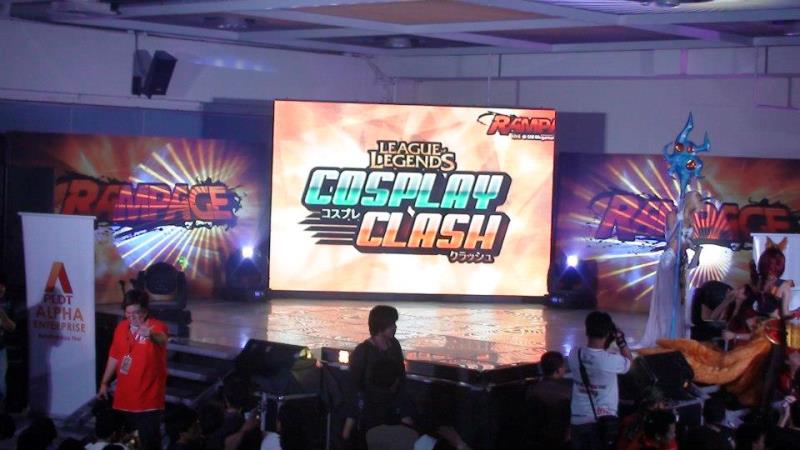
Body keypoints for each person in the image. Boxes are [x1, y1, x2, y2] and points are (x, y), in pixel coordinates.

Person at [642, 245, 796, 407]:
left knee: (726, 364)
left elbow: (782, 317)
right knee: (704, 353)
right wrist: (729, 301)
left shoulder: (783, 288)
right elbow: (718, 318)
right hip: (742, 340)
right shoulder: (749, 289)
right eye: (768, 272)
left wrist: (792, 315)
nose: (770, 277)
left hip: (762, 342)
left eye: (773, 272)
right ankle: (663, 359)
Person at [97, 289, 168, 450]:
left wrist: (150, 335)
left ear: (145, 311)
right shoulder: (121, 327)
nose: (131, 317)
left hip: (148, 400)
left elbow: (162, 339)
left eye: (135, 313)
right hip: (123, 398)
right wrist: (104, 382)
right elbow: (114, 356)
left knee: (149, 443)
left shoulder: (156, 326)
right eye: (127, 313)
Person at [640, 191, 703, 347]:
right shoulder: (673, 215)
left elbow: (688, 240)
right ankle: (664, 336)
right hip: (670, 259)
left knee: (679, 300)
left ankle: (675, 337)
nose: (698, 209)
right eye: (697, 205)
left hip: (681, 260)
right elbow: (670, 237)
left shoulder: (691, 219)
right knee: (667, 300)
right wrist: (679, 226)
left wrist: (694, 246)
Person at [343, 305, 410, 445]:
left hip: (392, 409)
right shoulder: (362, 351)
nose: (395, 327)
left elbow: (401, 379)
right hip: (370, 413)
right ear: (380, 326)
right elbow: (354, 389)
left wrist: (404, 412)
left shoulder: (394, 345)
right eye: (391, 324)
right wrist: (349, 425)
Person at [568, 311, 633, 450]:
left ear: (587, 330)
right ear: (608, 333)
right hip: (603, 422)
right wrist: (621, 341)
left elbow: (594, 355)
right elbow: (629, 362)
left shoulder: (574, 353)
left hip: (577, 420)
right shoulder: (611, 361)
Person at [525, 350, 571, 449]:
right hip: (560, 437)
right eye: (563, 366)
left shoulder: (531, 389)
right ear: (558, 370)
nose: (565, 368)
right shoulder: (567, 390)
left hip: (537, 437)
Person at [0, 273, 16, 411]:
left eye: (3, 286)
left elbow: (11, 326)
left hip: (1, 349)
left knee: (1, 386)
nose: (1, 289)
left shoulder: (7, 304)